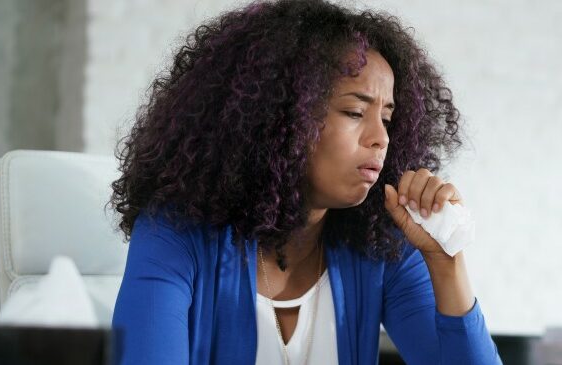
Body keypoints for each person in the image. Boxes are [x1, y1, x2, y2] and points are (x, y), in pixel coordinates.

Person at [109, 0, 501, 364]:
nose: (380, 138)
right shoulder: (174, 235)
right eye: (354, 111)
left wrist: (446, 262)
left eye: (387, 118)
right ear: (279, 117)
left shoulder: (380, 247)